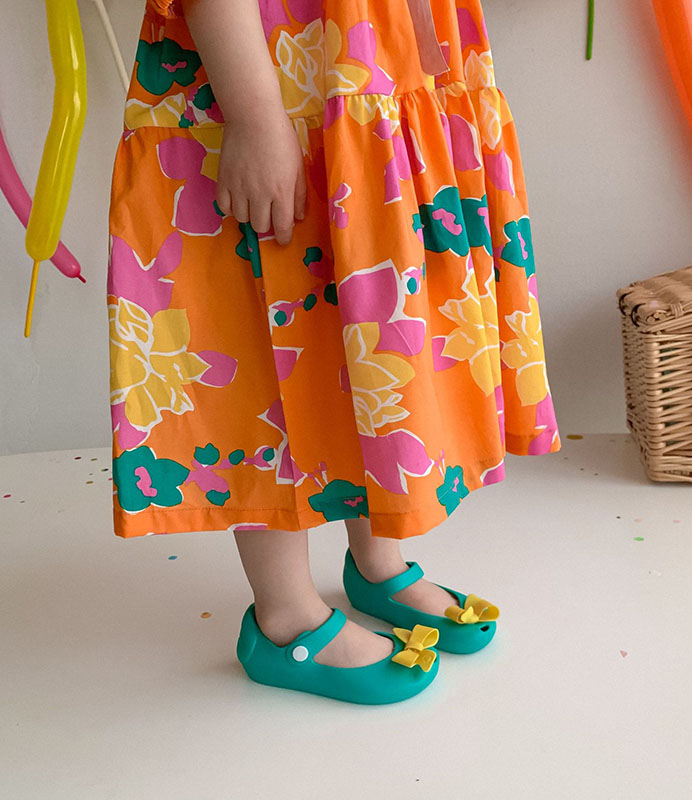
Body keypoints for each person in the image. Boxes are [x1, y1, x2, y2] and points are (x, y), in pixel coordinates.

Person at [107, 0, 560, 704]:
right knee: (256, 334)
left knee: (368, 330)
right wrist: (255, 118)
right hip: (269, 72)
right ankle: (285, 614)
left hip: (377, 61)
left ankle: (377, 562)